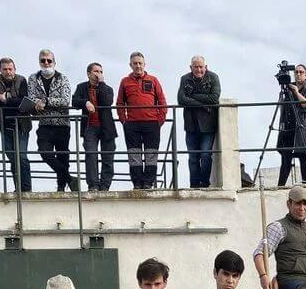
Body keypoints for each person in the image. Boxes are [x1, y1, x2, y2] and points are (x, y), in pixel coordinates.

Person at [28, 50, 77, 191]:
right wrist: (38, 102)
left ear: (54, 62)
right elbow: (31, 97)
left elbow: (65, 100)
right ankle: (69, 178)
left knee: (63, 155)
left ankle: (61, 187)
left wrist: (46, 102)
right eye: (43, 60)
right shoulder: (33, 78)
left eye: (49, 60)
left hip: (62, 124)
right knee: (44, 152)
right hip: (44, 123)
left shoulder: (63, 78)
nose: (46, 63)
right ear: (39, 62)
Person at [117, 52, 167, 190]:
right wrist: (124, 121)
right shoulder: (124, 81)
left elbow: (162, 101)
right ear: (130, 65)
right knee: (134, 155)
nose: (138, 66)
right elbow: (120, 103)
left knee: (151, 154)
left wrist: (160, 120)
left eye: (140, 63)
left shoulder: (154, 80)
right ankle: (137, 183)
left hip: (152, 123)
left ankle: (148, 183)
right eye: (135, 63)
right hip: (132, 124)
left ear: (144, 64)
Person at [0, 57, 32, 193]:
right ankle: (18, 187)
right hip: (4, 124)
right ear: (0, 70)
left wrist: (5, 99)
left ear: (15, 69)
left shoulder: (22, 80)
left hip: (21, 125)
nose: (8, 72)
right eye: (5, 69)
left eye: (10, 69)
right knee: (12, 156)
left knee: (21, 156)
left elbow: (24, 101)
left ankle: (26, 188)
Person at [72, 62, 116, 192]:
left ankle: (105, 186)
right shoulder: (81, 87)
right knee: (91, 155)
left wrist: (101, 83)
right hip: (90, 127)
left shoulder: (108, 89)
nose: (99, 74)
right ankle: (93, 185)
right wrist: (85, 102)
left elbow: (107, 102)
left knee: (108, 157)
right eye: (96, 71)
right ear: (89, 74)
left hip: (106, 127)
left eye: (101, 72)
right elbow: (74, 102)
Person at [178, 56, 220, 188]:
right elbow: (181, 100)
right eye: (195, 67)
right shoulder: (185, 79)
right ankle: (194, 184)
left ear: (205, 67)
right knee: (193, 158)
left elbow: (214, 98)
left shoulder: (213, 77)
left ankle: (204, 183)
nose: (199, 69)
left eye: (201, 66)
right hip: (191, 125)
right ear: (191, 68)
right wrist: (202, 104)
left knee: (206, 155)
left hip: (208, 126)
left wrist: (194, 96)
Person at [277, 64, 306, 186]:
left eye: (301, 72)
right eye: (296, 72)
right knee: (286, 159)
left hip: (303, 127)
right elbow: (282, 107)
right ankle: (280, 186)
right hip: (289, 128)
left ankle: (305, 184)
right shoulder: (288, 88)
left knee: (304, 157)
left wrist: (296, 92)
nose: (298, 74)